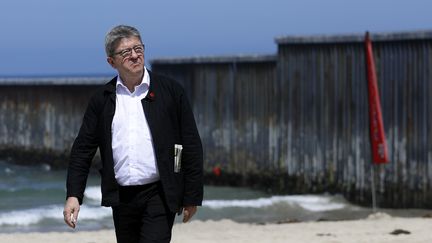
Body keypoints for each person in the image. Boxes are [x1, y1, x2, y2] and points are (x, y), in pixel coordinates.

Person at [63, 25, 204, 243]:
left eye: (138, 48)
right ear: (112, 62)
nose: (135, 55)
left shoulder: (171, 91)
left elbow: (191, 144)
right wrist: (74, 195)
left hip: (160, 192)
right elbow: (83, 149)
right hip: (122, 197)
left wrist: (191, 195)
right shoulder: (102, 99)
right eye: (125, 52)